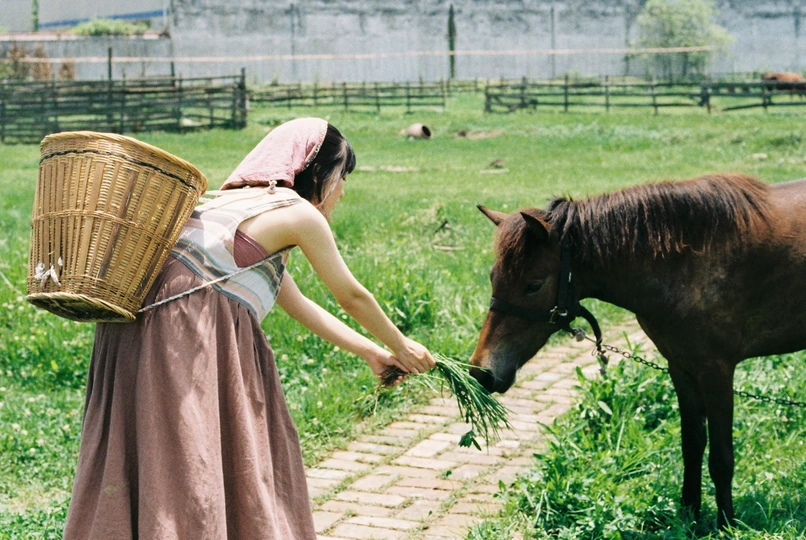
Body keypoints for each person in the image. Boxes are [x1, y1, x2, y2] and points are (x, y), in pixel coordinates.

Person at [62, 117, 435, 539]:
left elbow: (296, 303)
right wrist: (401, 344)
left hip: (132, 333)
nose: (343, 191)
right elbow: (351, 295)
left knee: (150, 451)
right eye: (341, 175)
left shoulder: (220, 204)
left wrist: (371, 352)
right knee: (187, 455)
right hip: (181, 339)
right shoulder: (296, 213)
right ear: (316, 171)